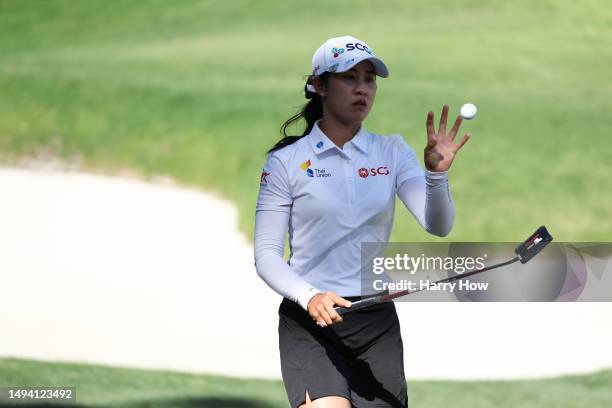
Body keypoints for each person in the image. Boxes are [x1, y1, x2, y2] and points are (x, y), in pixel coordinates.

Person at [254, 35, 470, 408]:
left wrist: (436, 175)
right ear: (320, 85)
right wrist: (309, 297)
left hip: (374, 320)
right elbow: (266, 256)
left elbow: (438, 225)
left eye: (369, 79)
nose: (362, 89)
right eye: (349, 78)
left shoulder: (392, 151)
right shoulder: (287, 162)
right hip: (311, 321)